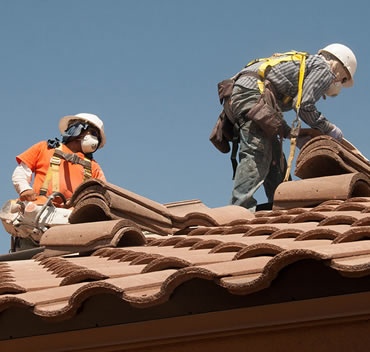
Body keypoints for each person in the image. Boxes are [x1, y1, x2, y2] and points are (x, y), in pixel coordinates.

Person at [227, 43, 357, 211]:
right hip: (253, 96)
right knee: (257, 153)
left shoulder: (305, 64)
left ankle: (282, 205)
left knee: (275, 158)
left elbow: (272, 109)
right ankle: (239, 209)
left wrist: (292, 133)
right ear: (341, 66)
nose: (338, 81)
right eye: (343, 79)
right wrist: (328, 128)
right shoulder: (325, 68)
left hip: (247, 95)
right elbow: (303, 104)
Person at [12, 113, 106, 205]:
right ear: (78, 128)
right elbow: (22, 172)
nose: (95, 140)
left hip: (73, 215)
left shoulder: (93, 165)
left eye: (98, 137)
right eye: (93, 133)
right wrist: (25, 189)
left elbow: (103, 192)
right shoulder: (45, 148)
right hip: (41, 207)